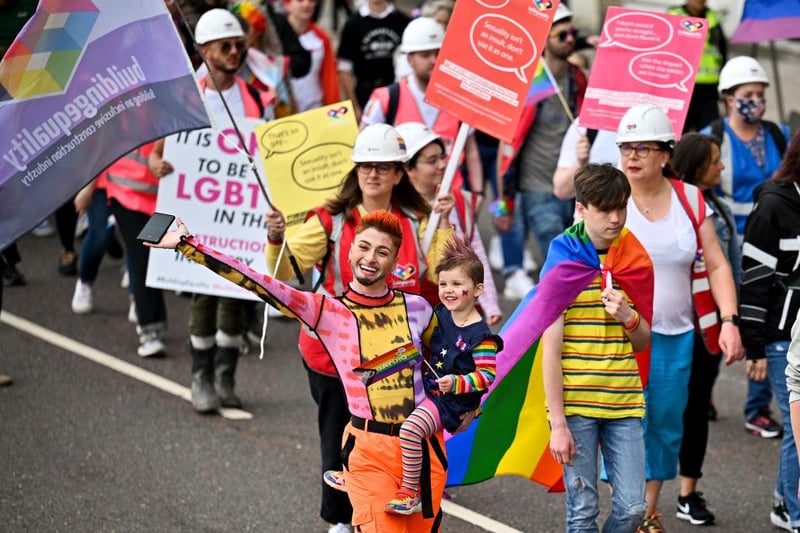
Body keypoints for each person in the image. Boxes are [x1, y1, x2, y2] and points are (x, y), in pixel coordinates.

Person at [148, 210, 466, 533]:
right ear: (350, 249)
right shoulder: (327, 311)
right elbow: (258, 282)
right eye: (364, 247)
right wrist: (189, 246)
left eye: (382, 252)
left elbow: (454, 360)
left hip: (424, 450)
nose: (370, 258)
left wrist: (465, 402)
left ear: (395, 260)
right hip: (369, 451)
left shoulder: (419, 309)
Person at [264, 123, 455, 533]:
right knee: (341, 436)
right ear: (355, 171)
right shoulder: (329, 220)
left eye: (383, 167)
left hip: (400, 360)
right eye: (365, 166)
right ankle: (341, 519)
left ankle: (392, 510)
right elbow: (284, 276)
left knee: (397, 439)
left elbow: (443, 277)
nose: (373, 174)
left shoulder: (423, 219)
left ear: (400, 173)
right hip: (335, 359)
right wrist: (275, 241)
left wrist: (445, 226)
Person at [615, 104, 742, 532]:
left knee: (666, 425)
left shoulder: (690, 197)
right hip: (616, 337)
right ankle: (627, 508)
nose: (632, 156)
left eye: (643, 148)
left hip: (674, 336)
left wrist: (729, 320)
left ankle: (647, 511)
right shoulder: (606, 197)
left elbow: (718, 263)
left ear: (665, 154)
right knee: (624, 424)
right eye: (626, 147)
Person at [150, 8, 274, 412]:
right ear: (203, 50)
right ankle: (200, 377)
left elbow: (271, 151)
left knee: (236, 293)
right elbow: (159, 151)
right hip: (197, 212)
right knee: (204, 295)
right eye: (225, 46)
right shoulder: (187, 95)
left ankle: (226, 376)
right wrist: (157, 164)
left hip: (240, 216)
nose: (235, 51)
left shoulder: (258, 96)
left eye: (239, 44)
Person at [324, 235, 501, 515]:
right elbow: (420, 347)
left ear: (478, 289)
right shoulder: (441, 313)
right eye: (443, 284)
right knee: (371, 409)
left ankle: (410, 492)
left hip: (451, 402)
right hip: (432, 389)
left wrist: (456, 383)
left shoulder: (481, 337)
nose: (448, 290)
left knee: (409, 428)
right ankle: (357, 473)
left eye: (457, 284)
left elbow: (486, 377)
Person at [543, 163, 652, 532]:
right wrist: (557, 422)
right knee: (582, 510)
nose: (616, 217)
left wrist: (628, 316)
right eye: (605, 209)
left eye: (622, 207)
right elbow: (550, 350)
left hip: (624, 402)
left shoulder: (633, 257)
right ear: (581, 208)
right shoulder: (563, 260)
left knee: (634, 507)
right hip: (577, 406)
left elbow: (643, 341)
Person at [701, 55, 790, 441]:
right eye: (747, 94)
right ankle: (701, 393)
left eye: (760, 93)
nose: (756, 100)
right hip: (724, 246)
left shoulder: (779, 134)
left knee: (766, 323)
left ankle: (757, 408)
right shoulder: (713, 137)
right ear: (728, 98)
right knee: (723, 320)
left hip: (771, 247)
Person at [671, 132, 743, 526]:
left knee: (696, 410)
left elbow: (728, 266)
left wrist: (734, 320)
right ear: (698, 164)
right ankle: (637, 497)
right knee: (656, 413)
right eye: (716, 160)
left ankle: (687, 492)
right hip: (669, 326)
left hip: (708, 328)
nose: (722, 166)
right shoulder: (665, 206)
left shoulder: (719, 207)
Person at [495, 3, 586, 298]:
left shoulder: (578, 78)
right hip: (536, 186)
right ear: (545, 38)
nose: (569, 39)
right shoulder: (530, 80)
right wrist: (503, 201)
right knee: (554, 248)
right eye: (562, 35)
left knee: (575, 251)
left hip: (572, 183)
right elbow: (506, 144)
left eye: (572, 33)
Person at [739, 130, 800, 533]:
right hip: (782, 336)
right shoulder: (773, 206)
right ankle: (795, 511)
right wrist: (755, 347)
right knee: (797, 429)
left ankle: (783, 500)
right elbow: (754, 281)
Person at [361, 17, 484, 196]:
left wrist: (478, 193)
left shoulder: (460, 98)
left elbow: (471, 151)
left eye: (438, 54)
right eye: (425, 55)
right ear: (410, 59)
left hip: (449, 199)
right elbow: (364, 150)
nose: (434, 61)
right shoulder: (386, 98)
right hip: (402, 201)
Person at [396, 121, 501, 324]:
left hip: (456, 312)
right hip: (409, 314)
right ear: (408, 169)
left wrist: (490, 303)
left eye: (442, 158)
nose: (442, 165)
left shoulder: (459, 201)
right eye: (432, 160)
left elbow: (475, 253)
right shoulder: (392, 209)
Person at [336, 0, 409, 121]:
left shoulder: (403, 22)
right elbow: (344, 69)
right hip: (364, 95)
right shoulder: (352, 24)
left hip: (397, 95)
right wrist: (355, 106)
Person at [667, 1, 727, 132]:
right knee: (677, 140)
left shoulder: (714, 18)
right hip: (680, 90)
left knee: (710, 139)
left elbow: (722, 53)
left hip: (708, 93)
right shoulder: (674, 15)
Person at [284, 0, 340, 112]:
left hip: (315, 109)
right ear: (287, 5)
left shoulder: (322, 37)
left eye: (311, 0)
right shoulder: (276, 37)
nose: (306, 4)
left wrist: (333, 109)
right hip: (285, 112)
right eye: (300, 1)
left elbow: (330, 77)